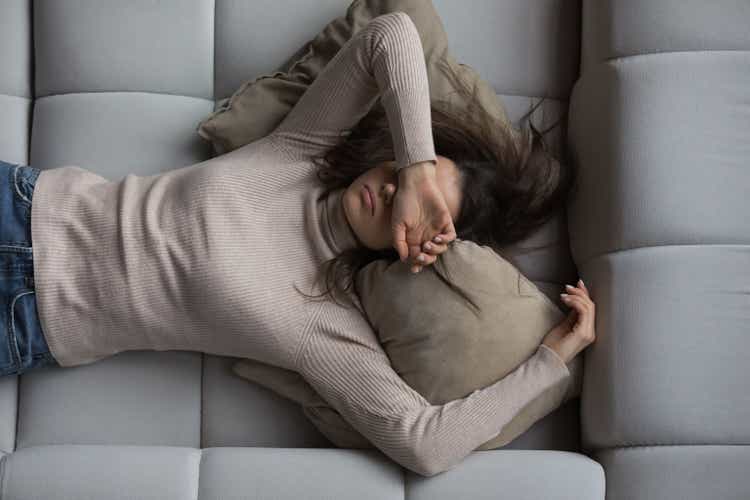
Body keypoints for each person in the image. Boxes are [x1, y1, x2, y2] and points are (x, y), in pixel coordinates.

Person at [0, 12, 596, 477]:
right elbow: (391, 35)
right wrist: (419, 168)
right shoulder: (301, 153)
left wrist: (548, 362)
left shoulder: (325, 327)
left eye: (420, 212)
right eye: (409, 176)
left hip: (27, 319)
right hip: (26, 204)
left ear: (427, 250)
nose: (393, 191)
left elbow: (427, 444)